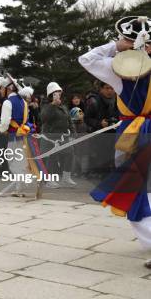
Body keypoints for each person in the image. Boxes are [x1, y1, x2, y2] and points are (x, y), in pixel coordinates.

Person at [78, 15, 151, 270]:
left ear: (126, 41)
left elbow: (86, 59)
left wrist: (114, 47)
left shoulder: (118, 68)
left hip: (134, 135)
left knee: (131, 191)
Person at [40, 82, 76, 188]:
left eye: (59, 92)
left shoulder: (63, 106)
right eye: (55, 93)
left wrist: (73, 132)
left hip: (63, 136)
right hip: (50, 137)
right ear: (51, 94)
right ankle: (49, 180)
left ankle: (66, 177)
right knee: (51, 158)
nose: (58, 94)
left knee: (70, 154)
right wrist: (52, 105)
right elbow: (44, 118)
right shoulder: (46, 105)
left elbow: (69, 120)